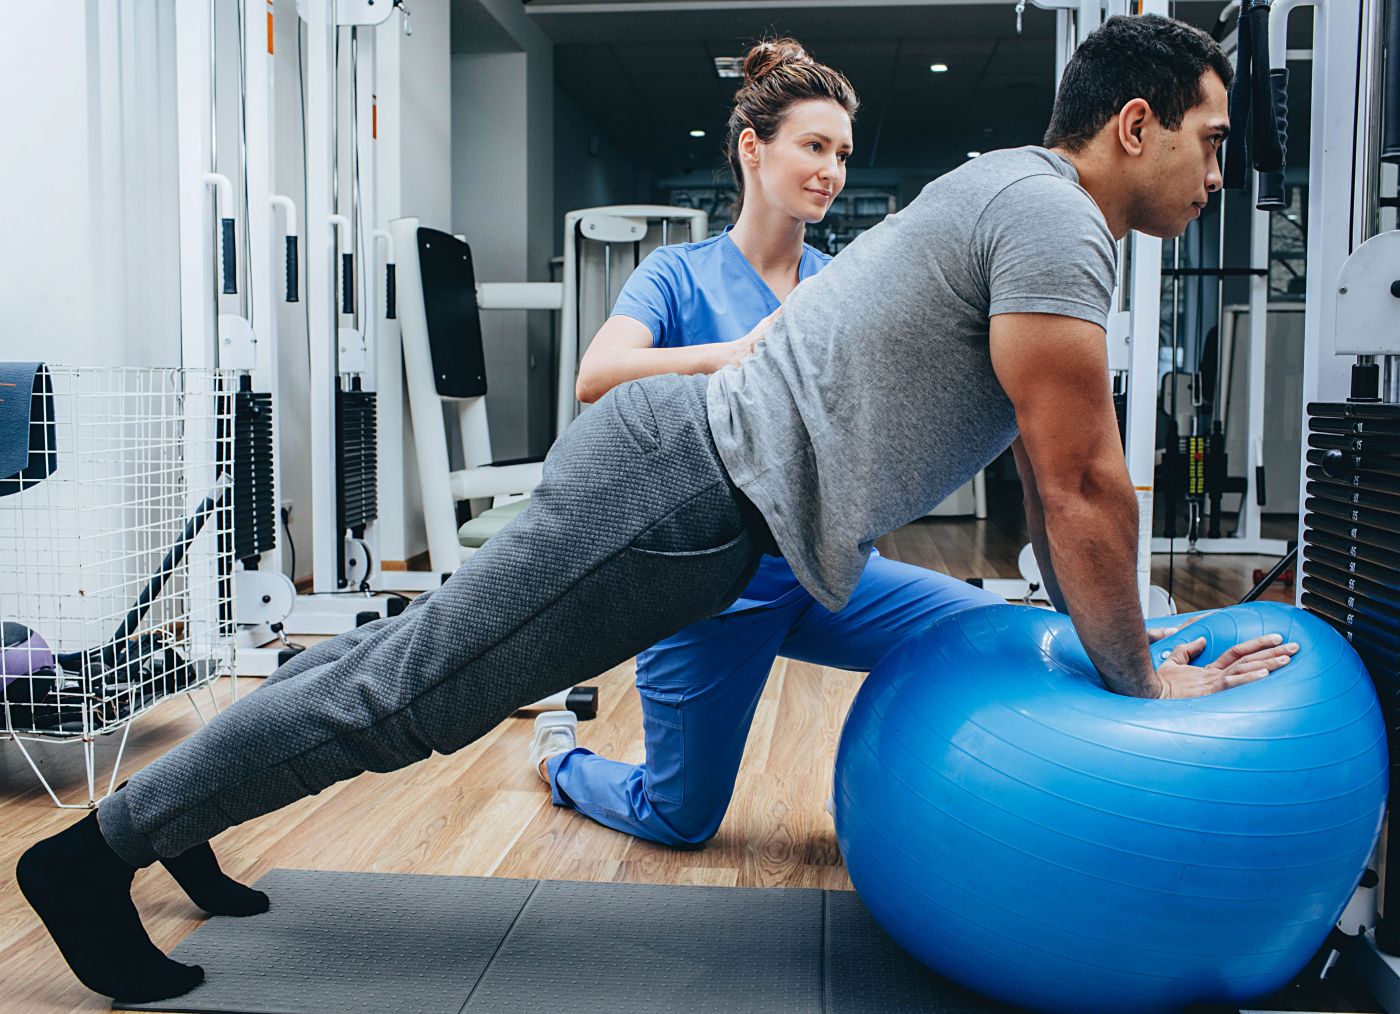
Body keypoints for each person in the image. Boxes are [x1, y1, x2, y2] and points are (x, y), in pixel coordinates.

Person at [19, 14, 1298, 1004]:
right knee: (411, 697)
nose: (1218, 166)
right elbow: (1074, 479)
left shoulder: (1013, 198)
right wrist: (1140, 684)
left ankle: (183, 816)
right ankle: (90, 858)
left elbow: (1059, 474)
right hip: (682, 489)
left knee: (392, 662)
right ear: (1134, 124)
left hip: (705, 501)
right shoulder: (1051, 216)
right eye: (1211, 135)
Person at [526, 38, 1005, 849]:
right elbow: (597, 374)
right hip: (709, 593)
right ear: (754, 148)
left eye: (843, 153)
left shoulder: (840, 280)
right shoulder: (676, 275)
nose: (832, 170)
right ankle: (560, 760)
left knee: (980, 632)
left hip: (823, 572)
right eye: (813, 146)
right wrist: (739, 352)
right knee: (680, 819)